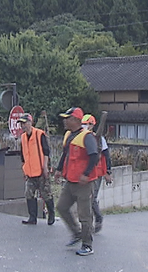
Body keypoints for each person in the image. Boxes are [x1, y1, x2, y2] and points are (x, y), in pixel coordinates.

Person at [54, 107, 100, 256]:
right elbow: (65, 155)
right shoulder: (68, 135)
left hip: (84, 183)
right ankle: (76, 233)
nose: (64, 121)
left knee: (84, 215)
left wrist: (86, 174)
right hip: (71, 180)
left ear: (75, 120)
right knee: (61, 207)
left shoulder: (87, 137)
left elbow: (94, 156)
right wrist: (59, 170)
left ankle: (87, 244)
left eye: (67, 118)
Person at [13, 113, 55, 225]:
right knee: (29, 193)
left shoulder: (39, 134)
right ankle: (32, 217)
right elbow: (23, 155)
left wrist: (45, 166)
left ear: (30, 122)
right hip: (30, 172)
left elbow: (46, 151)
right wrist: (24, 170)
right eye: (21, 124)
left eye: (24, 123)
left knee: (46, 194)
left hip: (41, 170)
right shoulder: (22, 137)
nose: (23, 126)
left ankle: (51, 214)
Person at [81, 114, 112, 233]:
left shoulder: (99, 139)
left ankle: (98, 218)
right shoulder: (82, 137)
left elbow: (107, 156)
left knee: (92, 197)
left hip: (98, 172)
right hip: (87, 172)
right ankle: (88, 222)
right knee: (86, 198)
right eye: (83, 124)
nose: (85, 126)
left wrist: (108, 172)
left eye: (87, 124)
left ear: (92, 125)